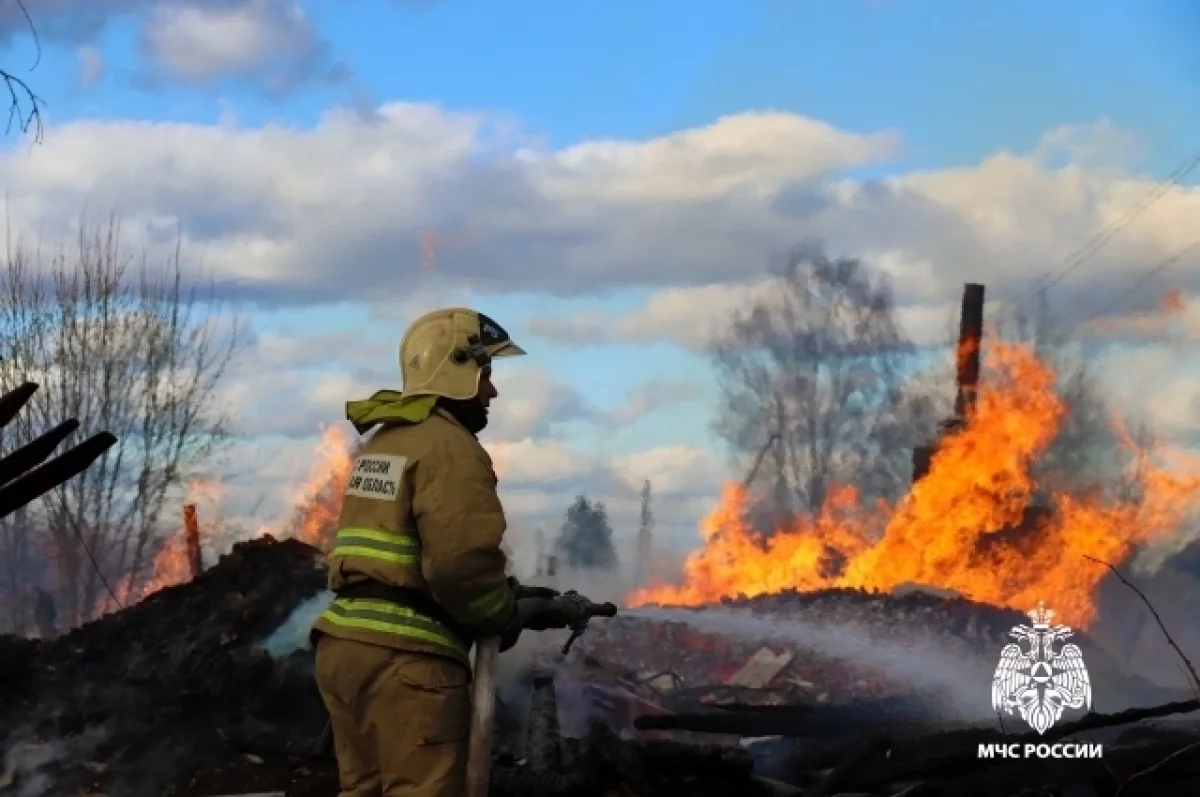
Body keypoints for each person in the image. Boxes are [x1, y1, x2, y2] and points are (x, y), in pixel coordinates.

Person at [310, 307, 567, 797]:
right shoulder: (451, 447)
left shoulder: (383, 443)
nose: (491, 391)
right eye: (485, 373)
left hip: (344, 650)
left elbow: (397, 553)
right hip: (406, 662)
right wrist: (501, 613)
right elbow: (460, 567)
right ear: (455, 369)